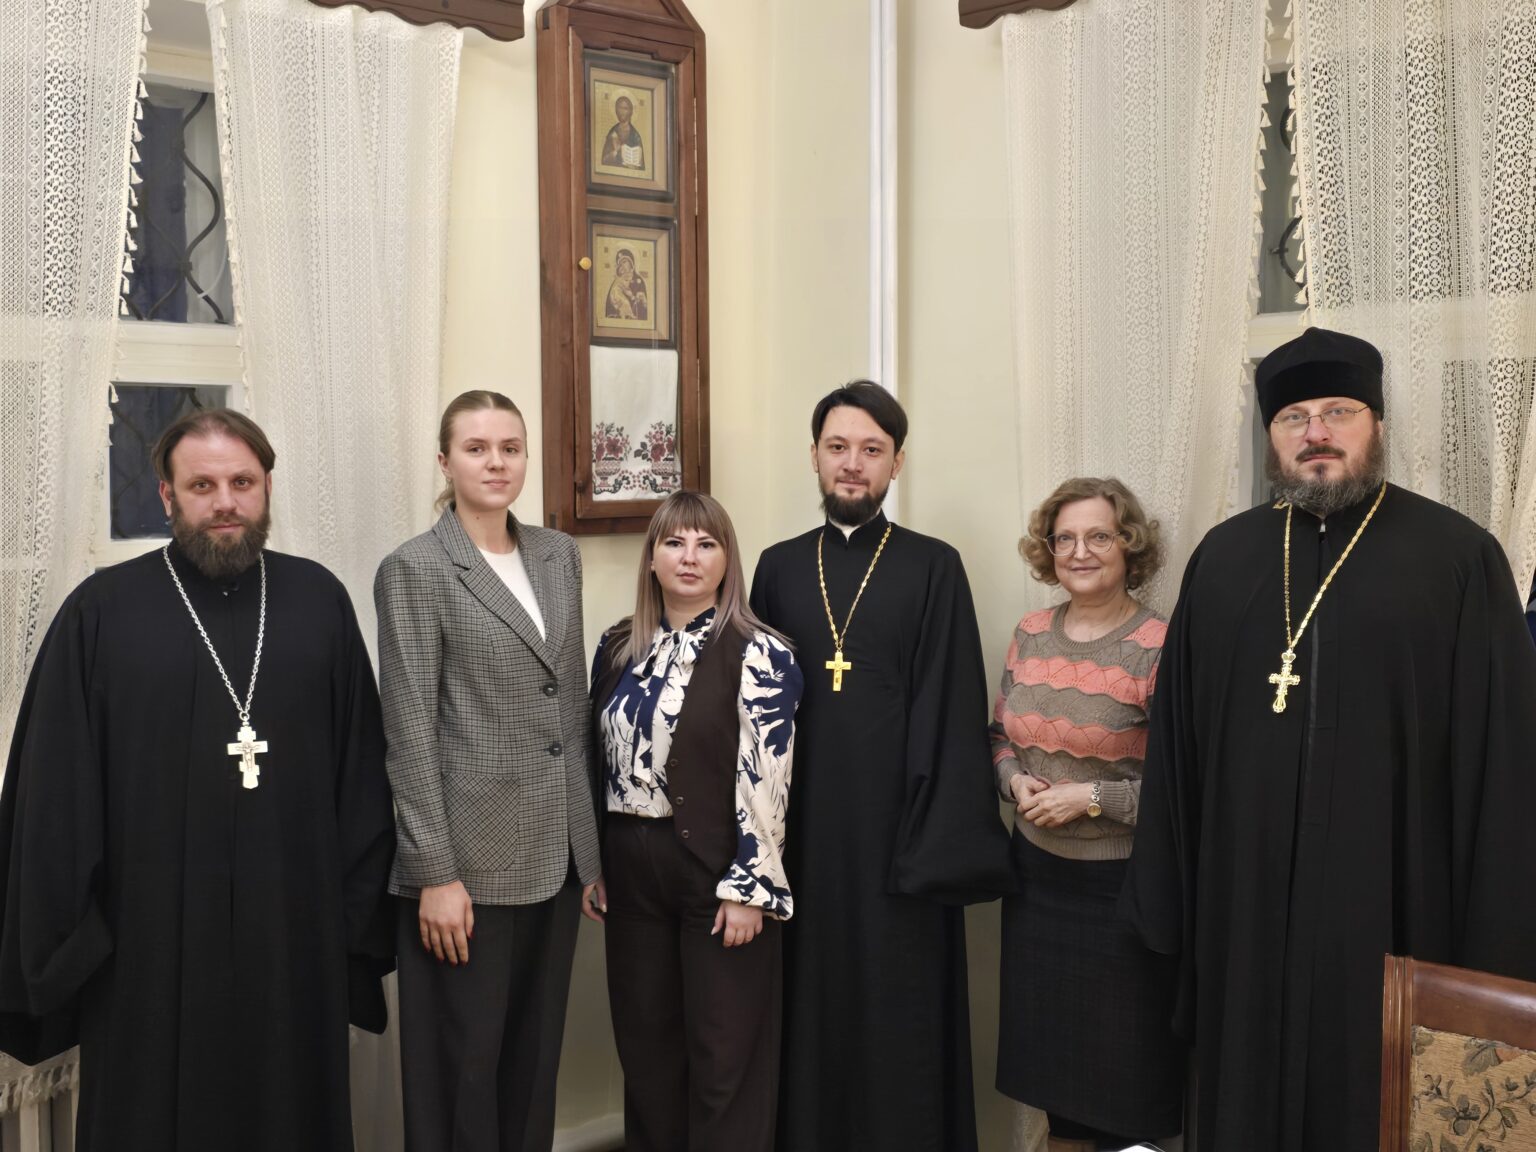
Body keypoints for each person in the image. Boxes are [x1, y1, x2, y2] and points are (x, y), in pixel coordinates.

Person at [1122, 326, 1536, 1152]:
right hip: (1244, 916)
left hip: (1398, 908)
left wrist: (1496, 946)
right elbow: (1177, 754)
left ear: (1377, 423)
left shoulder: (1458, 558)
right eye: (1294, 417)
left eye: (1338, 411)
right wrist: (1169, 911)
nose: (1316, 432)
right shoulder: (1224, 560)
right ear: (1272, 437)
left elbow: (1506, 765)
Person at [0, 409, 395, 1151]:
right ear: (167, 496)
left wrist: (346, 926)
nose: (225, 502)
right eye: (202, 485)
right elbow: (55, 794)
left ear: (267, 485)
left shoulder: (319, 601)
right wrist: (80, 944)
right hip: (148, 952)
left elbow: (363, 781)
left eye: (242, 482)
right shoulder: (102, 612)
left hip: (293, 941)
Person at [749, 380, 1014, 1152]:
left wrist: (925, 842)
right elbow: (752, 715)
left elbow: (950, 708)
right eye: (838, 447)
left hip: (902, 841)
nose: (852, 464)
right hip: (801, 841)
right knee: (808, 1008)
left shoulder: (934, 566)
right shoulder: (778, 568)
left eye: (871, 450)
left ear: (897, 463)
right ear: (814, 456)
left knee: (900, 1016)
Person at [374, 390, 603, 1152]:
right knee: (462, 1080)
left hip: (556, 859)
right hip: (465, 870)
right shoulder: (416, 569)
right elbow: (409, 733)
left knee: (532, 1074)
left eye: (510, 447)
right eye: (476, 448)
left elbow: (570, 707)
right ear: (445, 462)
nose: (496, 462)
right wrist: (434, 873)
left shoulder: (557, 555)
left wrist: (589, 853)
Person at [591, 490, 802, 1152]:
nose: (689, 557)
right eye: (674, 542)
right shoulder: (617, 646)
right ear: (651, 558)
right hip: (630, 869)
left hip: (717, 870)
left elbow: (769, 778)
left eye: (706, 544)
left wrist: (751, 889)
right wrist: (595, 864)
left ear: (727, 560)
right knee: (648, 1055)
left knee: (723, 1058)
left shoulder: (762, 651)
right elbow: (596, 760)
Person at [991, 477, 1182, 1152]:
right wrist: (1014, 782)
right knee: (1058, 1080)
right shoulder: (1030, 635)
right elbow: (999, 737)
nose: (1079, 552)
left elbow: (1185, 786)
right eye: (1064, 538)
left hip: (1120, 892)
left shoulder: (1160, 643)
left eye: (1099, 536)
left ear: (1129, 545)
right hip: (1035, 881)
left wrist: (1092, 798)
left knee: (1125, 1081)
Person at [601, 93, 645, 169]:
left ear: (630, 112)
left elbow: (641, 165)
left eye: (625, 108)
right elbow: (604, 160)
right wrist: (615, 153)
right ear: (616, 110)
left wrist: (636, 163)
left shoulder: (635, 135)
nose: (622, 111)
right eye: (620, 108)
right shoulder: (612, 132)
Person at [605, 248, 649, 321]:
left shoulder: (639, 280)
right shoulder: (618, 280)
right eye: (620, 264)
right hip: (619, 310)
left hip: (637, 320)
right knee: (625, 303)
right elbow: (610, 307)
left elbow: (645, 309)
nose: (622, 265)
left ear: (631, 263)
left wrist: (642, 300)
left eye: (624, 262)